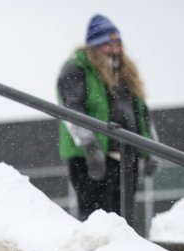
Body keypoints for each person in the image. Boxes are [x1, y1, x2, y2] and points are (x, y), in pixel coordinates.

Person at [58, 14, 159, 224]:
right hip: (91, 157)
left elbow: (141, 114)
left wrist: (151, 149)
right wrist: (90, 147)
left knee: (123, 220)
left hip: (125, 155)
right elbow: (72, 111)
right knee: (97, 220)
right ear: (94, 46)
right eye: (107, 44)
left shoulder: (125, 75)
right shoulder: (77, 69)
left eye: (117, 43)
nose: (114, 49)